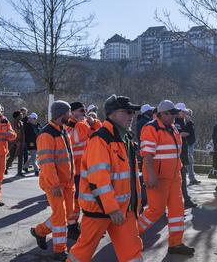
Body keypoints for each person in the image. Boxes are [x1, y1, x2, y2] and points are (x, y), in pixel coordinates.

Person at [66, 95, 144, 262]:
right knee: (82, 254)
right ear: (112, 114)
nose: (132, 116)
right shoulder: (100, 139)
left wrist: (135, 204)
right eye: (127, 111)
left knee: (133, 253)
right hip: (99, 210)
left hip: (124, 210)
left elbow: (129, 179)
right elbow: (98, 179)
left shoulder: (126, 139)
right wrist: (112, 208)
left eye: (133, 112)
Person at [138, 100, 195, 256]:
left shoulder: (173, 128)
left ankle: (176, 244)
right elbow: (147, 155)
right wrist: (150, 176)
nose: (174, 116)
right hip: (158, 178)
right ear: (162, 114)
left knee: (177, 210)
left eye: (175, 113)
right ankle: (131, 234)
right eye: (171, 113)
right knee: (155, 211)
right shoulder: (151, 128)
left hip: (174, 177)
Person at [30, 101, 75, 261]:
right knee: (60, 217)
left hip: (67, 183)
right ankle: (59, 250)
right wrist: (54, 184)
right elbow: (47, 164)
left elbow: (67, 158)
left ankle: (39, 231)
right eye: (69, 113)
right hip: (54, 184)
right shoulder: (46, 134)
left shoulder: (62, 130)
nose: (70, 116)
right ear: (61, 115)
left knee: (69, 214)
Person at [65, 101, 94, 237]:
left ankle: (84, 226)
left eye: (85, 111)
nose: (85, 113)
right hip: (75, 170)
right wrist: (86, 123)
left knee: (88, 199)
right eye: (82, 111)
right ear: (73, 112)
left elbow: (96, 134)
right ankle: (72, 226)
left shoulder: (81, 124)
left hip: (86, 168)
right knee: (76, 200)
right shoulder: (69, 125)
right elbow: (77, 138)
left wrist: (92, 123)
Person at [174, 104, 199, 209]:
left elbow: (188, 133)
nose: (184, 113)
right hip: (176, 156)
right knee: (178, 181)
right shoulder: (175, 122)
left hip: (182, 154)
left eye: (185, 112)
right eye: (182, 112)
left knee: (182, 180)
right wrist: (182, 133)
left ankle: (185, 200)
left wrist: (188, 124)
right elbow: (181, 134)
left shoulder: (183, 122)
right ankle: (178, 202)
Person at [6, 111, 25, 177]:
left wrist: (23, 142)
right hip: (13, 144)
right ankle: (5, 168)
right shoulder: (11, 123)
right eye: (21, 115)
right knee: (12, 157)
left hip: (20, 143)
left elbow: (22, 134)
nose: (22, 116)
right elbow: (12, 134)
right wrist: (13, 143)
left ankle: (19, 172)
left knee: (20, 158)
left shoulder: (21, 123)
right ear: (17, 116)